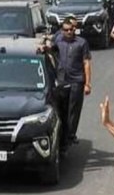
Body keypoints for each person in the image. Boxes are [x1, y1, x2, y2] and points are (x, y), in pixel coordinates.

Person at [39, 19, 92, 153]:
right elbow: (51, 50)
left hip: (76, 81)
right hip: (62, 81)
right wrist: (44, 48)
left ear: (74, 29)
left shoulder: (81, 43)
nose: (69, 32)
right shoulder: (59, 41)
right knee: (61, 110)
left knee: (73, 111)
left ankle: (69, 137)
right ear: (62, 30)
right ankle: (63, 137)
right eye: (66, 30)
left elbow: (86, 63)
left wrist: (87, 84)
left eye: (71, 29)